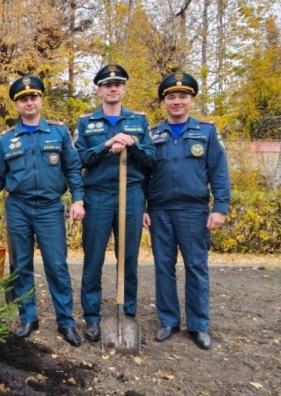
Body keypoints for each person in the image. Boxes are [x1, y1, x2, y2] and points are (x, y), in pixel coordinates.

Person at [0, 76, 84, 346]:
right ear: (16, 104)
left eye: (33, 97)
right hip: (18, 207)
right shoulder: (7, 139)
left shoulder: (58, 132)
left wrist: (78, 199)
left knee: (57, 265)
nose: (29, 102)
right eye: (23, 99)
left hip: (49, 207)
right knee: (21, 265)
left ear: (40, 100)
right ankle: (28, 317)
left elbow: (72, 168)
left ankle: (66, 321)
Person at [144, 72, 230, 349]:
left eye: (183, 96)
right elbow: (143, 175)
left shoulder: (206, 131)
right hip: (159, 210)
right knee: (163, 267)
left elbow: (219, 172)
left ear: (191, 100)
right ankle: (169, 320)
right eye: (171, 97)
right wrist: (144, 206)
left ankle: (198, 325)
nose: (177, 101)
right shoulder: (152, 134)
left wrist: (220, 207)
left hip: (193, 210)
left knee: (195, 267)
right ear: (164, 102)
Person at [74, 64, 156, 342]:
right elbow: (79, 160)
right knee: (93, 257)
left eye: (118, 84)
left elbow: (152, 160)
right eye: (107, 84)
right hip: (97, 194)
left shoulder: (139, 122)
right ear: (99, 90)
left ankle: (128, 314)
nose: (113, 88)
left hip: (131, 193)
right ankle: (92, 317)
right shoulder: (86, 123)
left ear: (124, 88)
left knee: (129, 257)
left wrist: (132, 143)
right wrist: (106, 145)